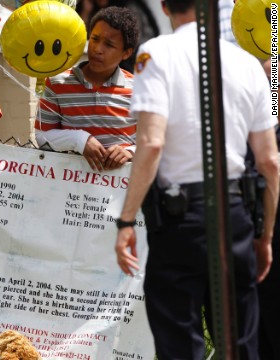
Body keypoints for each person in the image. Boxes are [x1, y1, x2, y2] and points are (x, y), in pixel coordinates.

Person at [113, 0, 279, 358]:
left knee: (179, 341)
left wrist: (126, 219)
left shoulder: (155, 53)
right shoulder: (250, 63)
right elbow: (269, 160)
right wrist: (265, 233)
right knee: (240, 342)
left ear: (163, 5)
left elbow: (151, 142)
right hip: (236, 212)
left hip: (181, 217)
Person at [34, 6, 139, 171]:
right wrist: (79, 140)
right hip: (67, 188)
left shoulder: (138, 89)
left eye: (109, 45)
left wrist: (130, 152)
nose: (97, 49)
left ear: (126, 53)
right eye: (95, 39)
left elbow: (154, 140)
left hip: (120, 192)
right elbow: (42, 136)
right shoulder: (57, 82)